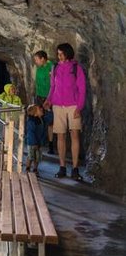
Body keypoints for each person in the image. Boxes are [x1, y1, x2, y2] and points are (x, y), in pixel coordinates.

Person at [43, 43, 86, 181]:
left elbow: (82, 88)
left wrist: (79, 107)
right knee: (60, 136)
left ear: (67, 53)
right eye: (58, 53)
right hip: (57, 105)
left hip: (73, 105)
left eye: (61, 53)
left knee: (74, 136)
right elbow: (53, 86)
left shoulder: (76, 68)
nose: (58, 55)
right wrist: (48, 99)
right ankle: (62, 167)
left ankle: (75, 169)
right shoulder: (55, 67)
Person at [33, 50, 55, 153]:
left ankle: (51, 146)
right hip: (39, 97)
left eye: (37, 60)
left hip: (49, 98)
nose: (35, 62)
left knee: (50, 122)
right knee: (38, 120)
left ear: (42, 59)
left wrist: (49, 99)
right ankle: (38, 143)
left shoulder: (51, 67)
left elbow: (53, 84)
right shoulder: (39, 68)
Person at [25, 104, 46, 173]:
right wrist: (34, 143)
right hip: (32, 143)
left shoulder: (41, 119)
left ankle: (35, 168)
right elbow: (31, 133)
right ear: (35, 113)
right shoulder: (31, 121)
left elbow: (50, 119)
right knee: (30, 156)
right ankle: (27, 168)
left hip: (39, 142)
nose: (41, 109)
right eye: (39, 109)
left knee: (37, 157)